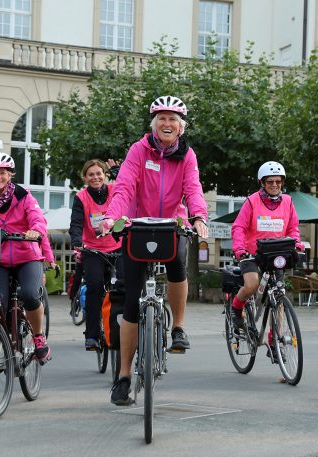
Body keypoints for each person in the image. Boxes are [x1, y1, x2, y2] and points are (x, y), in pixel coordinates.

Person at [100, 96, 209, 405]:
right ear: (153, 123)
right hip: (136, 224)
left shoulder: (187, 156)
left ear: (181, 126)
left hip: (171, 223)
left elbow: (193, 189)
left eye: (173, 119)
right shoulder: (139, 150)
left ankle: (178, 327)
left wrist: (199, 217)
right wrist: (111, 217)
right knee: (131, 304)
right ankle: (123, 377)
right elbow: (124, 186)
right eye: (161, 118)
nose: (167, 123)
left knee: (178, 265)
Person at [0, 151, 51, 364]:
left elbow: (37, 217)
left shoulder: (24, 196)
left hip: (27, 255)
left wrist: (35, 230)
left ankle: (38, 336)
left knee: (29, 294)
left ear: (10, 175)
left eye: (2, 172)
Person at [230, 161, 304, 347]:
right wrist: (239, 249)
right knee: (252, 284)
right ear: (262, 182)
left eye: (278, 181)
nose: (274, 185)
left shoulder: (287, 201)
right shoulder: (252, 201)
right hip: (252, 253)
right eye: (270, 181)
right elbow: (239, 227)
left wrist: (297, 243)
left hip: (277, 253)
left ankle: (274, 342)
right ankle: (236, 309)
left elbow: (293, 227)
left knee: (278, 294)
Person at [69, 159, 124, 350]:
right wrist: (76, 241)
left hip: (117, 247)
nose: (95, 177)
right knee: (94, 286)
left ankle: (126, 326)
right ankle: (91, 335)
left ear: (105, 175)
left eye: (99, 173)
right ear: (85, 177)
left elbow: (128, 189)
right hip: (93, 249)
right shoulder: (81, 198)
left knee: (125, 285)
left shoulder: (114, 190)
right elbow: (76, 223)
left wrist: (118, 171)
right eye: (91, 174)